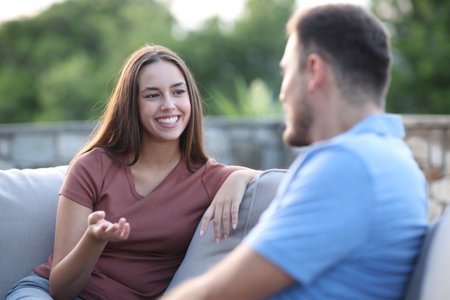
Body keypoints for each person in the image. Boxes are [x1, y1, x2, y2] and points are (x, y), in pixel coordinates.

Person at [162, 4, 428, 300]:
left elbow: (218, 292)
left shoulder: (347, 165)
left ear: (314, 71)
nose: (282, 93)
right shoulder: (393, 158)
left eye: (286, 72)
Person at [6, 45, 259, 300]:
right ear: (132, 104)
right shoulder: (92, 167)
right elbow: (60, 289)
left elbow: (280, 180)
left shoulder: (209, 178)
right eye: (152, 96)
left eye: (178, 92)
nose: (169, 105)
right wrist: (94, 239)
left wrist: (240, 177)